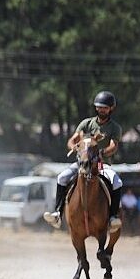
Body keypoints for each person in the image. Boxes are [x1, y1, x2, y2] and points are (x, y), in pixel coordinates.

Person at [43, 90, 123, 233]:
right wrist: (73, 147)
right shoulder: (86, 123)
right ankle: (57, 214)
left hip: (100, 163)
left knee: (117, 182)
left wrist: (101, 152)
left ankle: (112, 216)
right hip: (82, 162)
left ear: (111, 108)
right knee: (61, 177)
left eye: (105, 107)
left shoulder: (114, 127)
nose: (101, 110)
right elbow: (72, 139)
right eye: (99, 107)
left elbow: (113, 146)